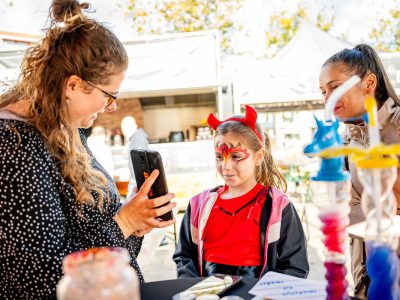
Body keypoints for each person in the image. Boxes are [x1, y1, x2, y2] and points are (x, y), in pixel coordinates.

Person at [0, 1, 176, 299]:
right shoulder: (15, 144)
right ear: (73, 85)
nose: (113, 107)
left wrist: (133, 222)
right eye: (110, 96)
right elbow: (42, 278)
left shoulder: (65, 127)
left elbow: (93, 231)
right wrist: (125, 222)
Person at [173, 105, 309, 278]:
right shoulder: (197, 205)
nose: (226, 166)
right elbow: (184, 258)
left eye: (236, 156)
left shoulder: (278, 207)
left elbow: (295, 267)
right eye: (219, 157)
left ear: (259, 157)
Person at [319, 43, 400, 299]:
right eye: (323, 91)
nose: (327, 98)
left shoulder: (397, 128)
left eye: (334, 87)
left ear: (369, 83)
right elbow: (349, 207)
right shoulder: (345, 141)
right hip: (365, 272)